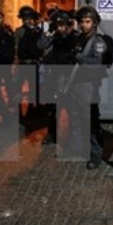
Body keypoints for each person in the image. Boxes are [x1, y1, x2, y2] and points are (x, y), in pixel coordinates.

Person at [63, 5, 109, 169]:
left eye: (87, 21)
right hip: (75, 84)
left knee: (90, 121)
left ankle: (95, 155)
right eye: (81, 22)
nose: (83, 25)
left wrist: (78, 58)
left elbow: (96, 64)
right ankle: (77, 148)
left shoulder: (98, 42)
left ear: (94, 23)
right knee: (75, 118)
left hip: (88, 86)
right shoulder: (78, 39)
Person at [37, 9, 76, 145]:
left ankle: (72, 136)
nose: (60, 28)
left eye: (62, 25)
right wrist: (50, 32)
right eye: (57, 25)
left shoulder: (74, 37)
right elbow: (41, 45)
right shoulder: (53, 37)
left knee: (71, 108)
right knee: (52, 108)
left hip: (69, 77)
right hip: (54, 76)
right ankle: (52, 133)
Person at [13, 6, 43, 119]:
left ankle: (26, 111)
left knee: (26, 89)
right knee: (32, 88)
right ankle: (30, 110)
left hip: (25, 64)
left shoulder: (20, 31)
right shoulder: (35, 31)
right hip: (29, 64)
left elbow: (15, 48)